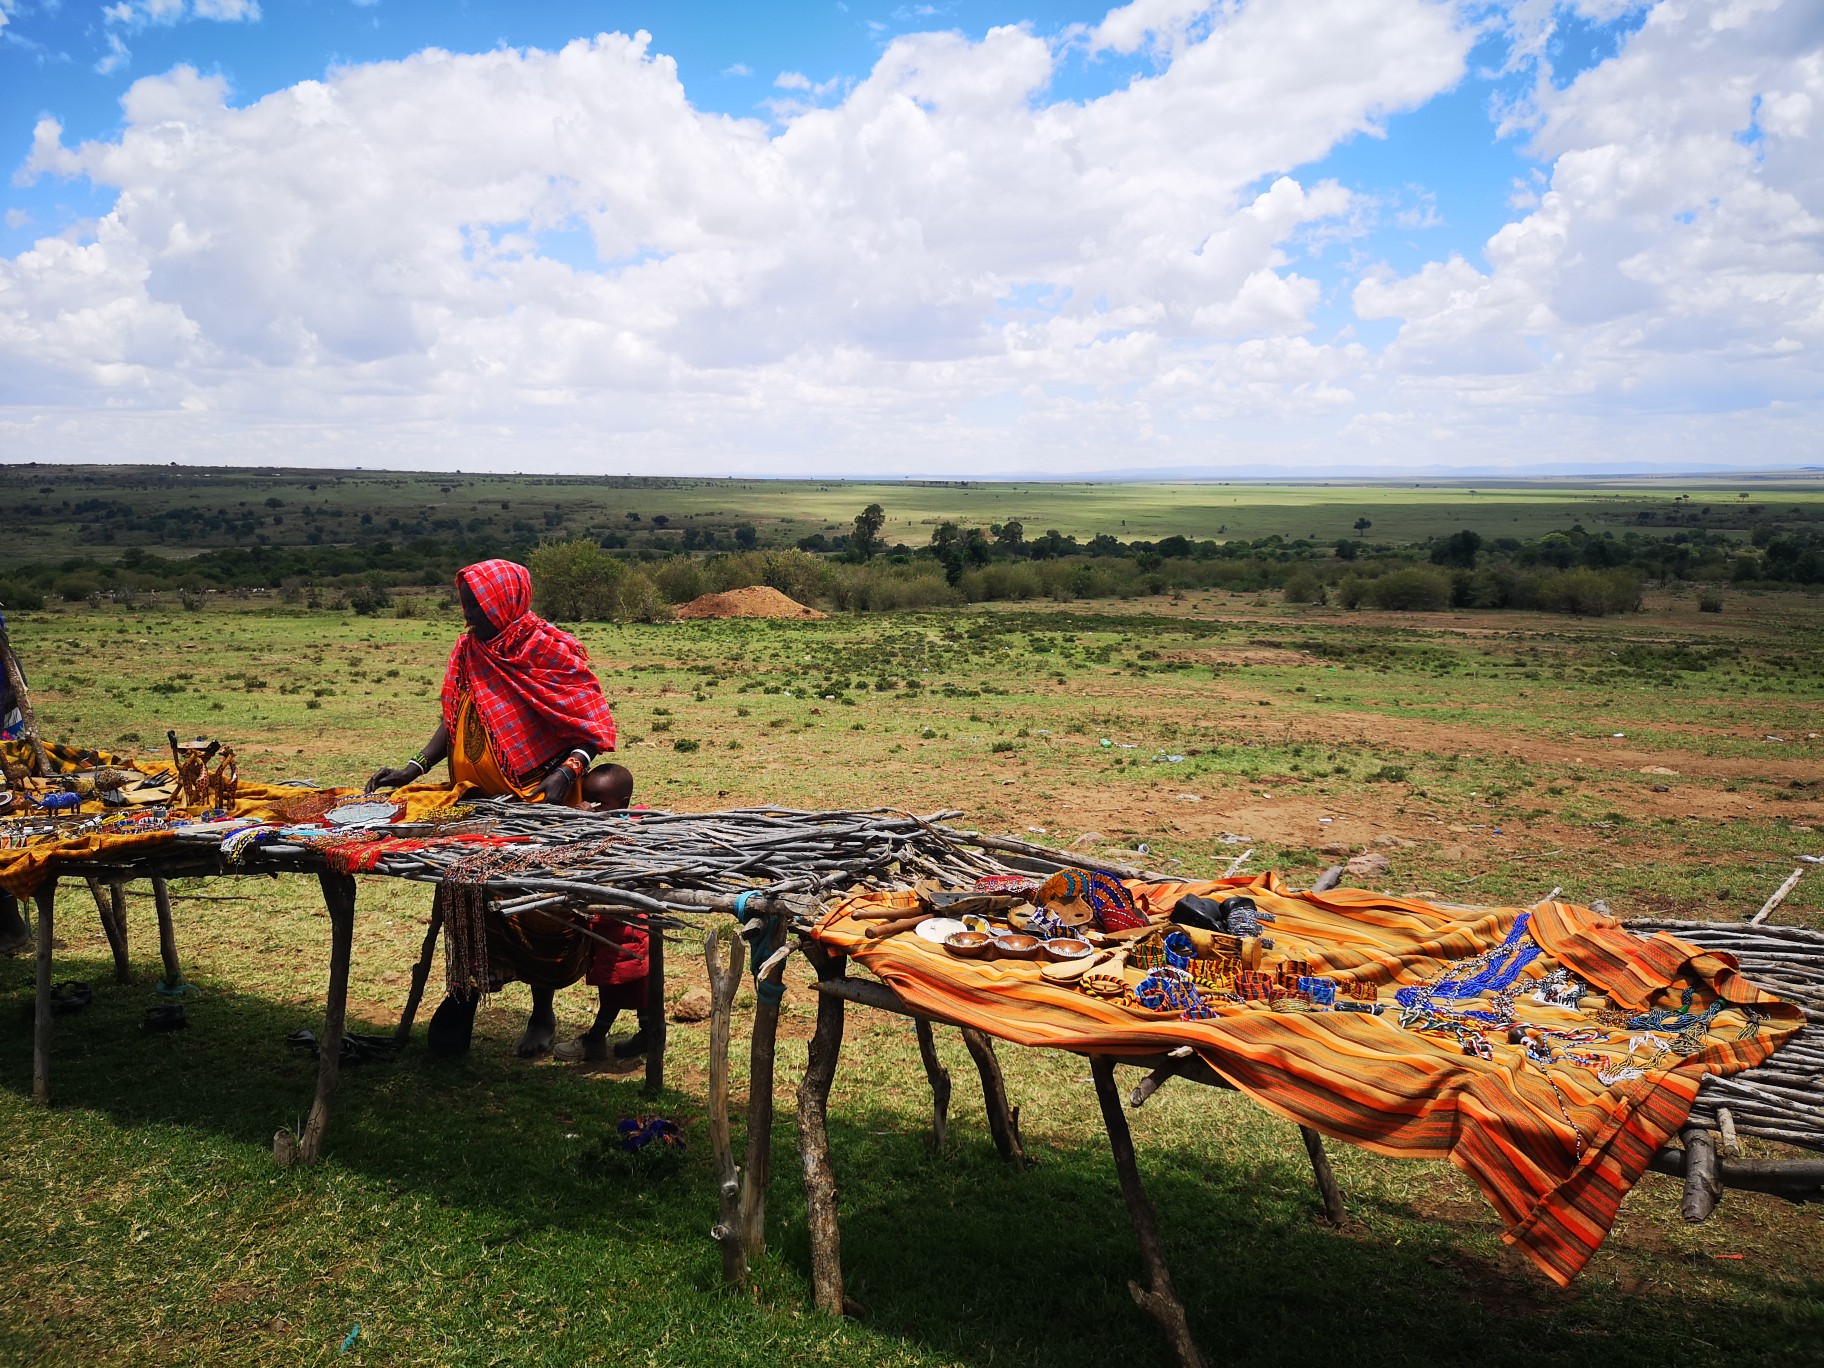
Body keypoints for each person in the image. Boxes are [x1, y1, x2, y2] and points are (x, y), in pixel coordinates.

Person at [366, 559, 653, 1060]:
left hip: (541, 804)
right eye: (466, 605)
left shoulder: (546, 649)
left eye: (477, 606)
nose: (468, 615)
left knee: (541, 909)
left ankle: (542, 1009)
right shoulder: (468, 649)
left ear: (504, 602)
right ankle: (467, 995)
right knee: (473, 900)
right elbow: (453, 719)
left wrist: (566, 773)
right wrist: (414, 768)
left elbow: (588, 727)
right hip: (478, 804)